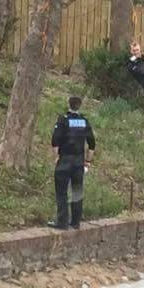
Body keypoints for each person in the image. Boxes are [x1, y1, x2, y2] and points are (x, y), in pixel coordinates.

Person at [48, 95, 96, 230]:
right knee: (77, 191)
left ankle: (62, 221)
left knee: (61, 192)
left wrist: (56, 157)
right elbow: (92, 144)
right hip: (78, 162)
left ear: (68, 104)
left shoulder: (63, 120)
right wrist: (88, 161)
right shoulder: (84, 121)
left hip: (65, 160)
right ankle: (76, 221)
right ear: (80, 106)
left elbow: (55, 141)